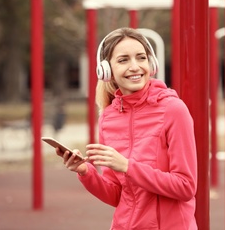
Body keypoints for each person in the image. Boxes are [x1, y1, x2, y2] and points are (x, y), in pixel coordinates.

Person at [55, 27, 198, 229]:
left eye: (141, 58)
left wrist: (128, 167)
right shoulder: (107, 118)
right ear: (106, 70)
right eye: (123, 60)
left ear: (152, 63)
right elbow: (117, 195)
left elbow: (186, 187)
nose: (135, 66)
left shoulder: (174, 110)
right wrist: (86, 172)